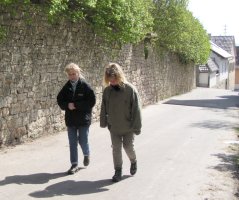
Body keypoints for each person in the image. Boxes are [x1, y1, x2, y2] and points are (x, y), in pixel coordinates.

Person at [100, 62, 142, 182]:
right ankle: (117, 171)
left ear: (119, 76)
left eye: (114, 79)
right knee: (116, 148)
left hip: (128, 126)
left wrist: (137, 127)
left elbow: (137, 110)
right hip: (114, 126)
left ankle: (133, 161)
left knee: (128, 146)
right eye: (109, 80)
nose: (111, 82)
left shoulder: (130, 90)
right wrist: (104, 122)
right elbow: (104, 107)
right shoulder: (107, 91)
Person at [57, 63, 96, 175]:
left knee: (83, 140)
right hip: (71, 120)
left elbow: (92, 101)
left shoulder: (85, 86)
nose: (72, 76)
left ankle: (86, 154)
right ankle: (74, 164)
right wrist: (66, 105)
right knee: (72, 142)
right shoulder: (66, 87)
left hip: (83, 119)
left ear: (78, 73)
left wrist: (77, 105)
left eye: (74, 74)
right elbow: (60, 99)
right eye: (70, 74)